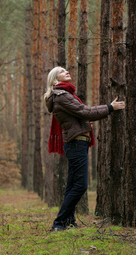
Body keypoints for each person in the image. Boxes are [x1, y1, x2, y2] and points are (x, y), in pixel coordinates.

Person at [44, 66, 125, 231]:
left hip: (76, 142)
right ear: (55, 79)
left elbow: (80, 114)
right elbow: (85, 112)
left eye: (67, 70)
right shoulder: (62, 96)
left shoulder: (64, 94)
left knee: (72, 185)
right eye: (62, 71)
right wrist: (110, 108)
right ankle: (59, 223)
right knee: (80, 186)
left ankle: (68, 221)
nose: (67, 72)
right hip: (75, 143)